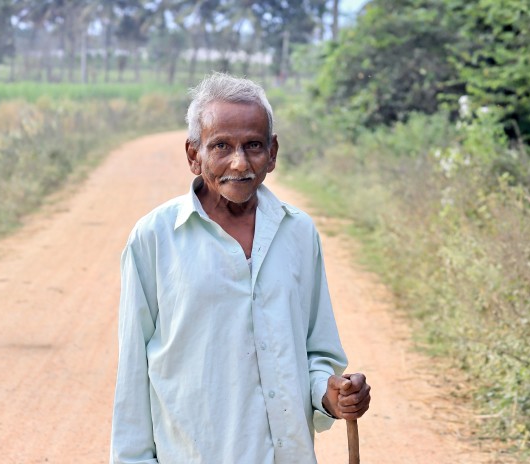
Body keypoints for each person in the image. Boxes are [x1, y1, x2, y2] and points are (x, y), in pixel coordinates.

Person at [110, 73, 371, 464]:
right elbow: (133, 371)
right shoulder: (154, 238)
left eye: (253, 145)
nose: (240, 162)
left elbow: (318, 351)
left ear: (273, 151)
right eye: (221, 146)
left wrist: (331, 395)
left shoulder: (298, 232)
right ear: (193, 155)